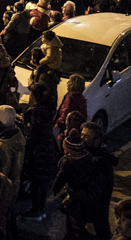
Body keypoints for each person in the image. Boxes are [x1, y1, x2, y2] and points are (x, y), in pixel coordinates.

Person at [19, 82, 58, 223]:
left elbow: (32, 136)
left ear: (33, 95)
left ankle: (36, 210)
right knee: (42, 182)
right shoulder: (48, 109)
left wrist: (27, 154)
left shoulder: (35, 113)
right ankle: (41, 210)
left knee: (36, 182)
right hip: (48, 149)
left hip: (38, 152)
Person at [53, 129, 95, 240]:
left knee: (75, 224)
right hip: (84, 195)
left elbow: (60, 178)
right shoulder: (88, 157)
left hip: (74, 195)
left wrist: (55, 188)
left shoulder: (68, 162)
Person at [81, 121, 118, 240]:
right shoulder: (89, 156)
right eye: (82, 134)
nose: (82, 138)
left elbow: (94, 193)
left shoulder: (99, 163)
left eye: (86, 136)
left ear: (96, 141)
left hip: (94, 214)